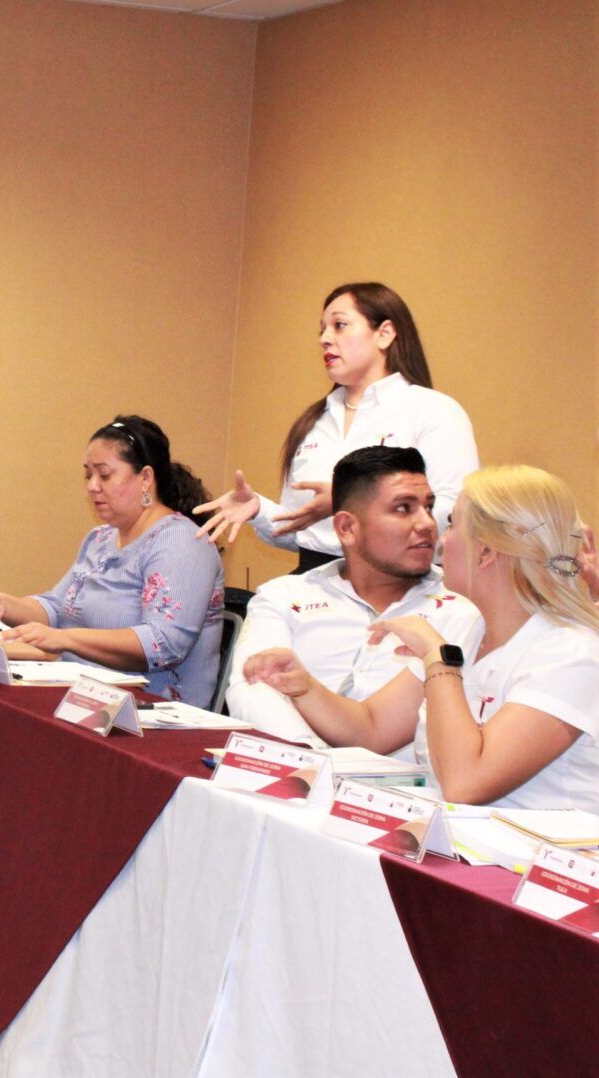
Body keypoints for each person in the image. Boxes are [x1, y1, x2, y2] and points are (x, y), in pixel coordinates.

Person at [243, 465, 599, 812]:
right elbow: (372, 728)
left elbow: (466, 783)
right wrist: (303, 687)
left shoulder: (571, 653)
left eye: (453, 524)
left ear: (486, 552)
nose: (440, 539)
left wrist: (436, 656)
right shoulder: (468, 628)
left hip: (531, 850)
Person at [196, 283, 478, 573]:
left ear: (384, 334)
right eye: (322, 330)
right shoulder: (313, 422)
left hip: (400, 583)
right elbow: (303, 533)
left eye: (339, 325)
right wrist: (257, 509)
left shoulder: (433, 410)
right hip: (315, 579)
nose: (325, 339)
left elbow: (458, 514)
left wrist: (354, 500)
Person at [227, 446, 482, 747]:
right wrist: (311, 761)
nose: (427, 523)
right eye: (403, 508)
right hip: (296, 764)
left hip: (412, 776)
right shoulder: (284, 596)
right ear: (347, 527)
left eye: (429, 507)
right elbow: (253, 687)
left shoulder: (462, 607)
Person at [0, 415, 224, 703]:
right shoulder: (101, 538)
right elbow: (56, 607)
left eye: (104, 475)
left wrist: (65, 639)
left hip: (149, 709)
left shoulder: (182, 541)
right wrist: (5, 605)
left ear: (145, 478)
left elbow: (163, 643)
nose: (92, 486)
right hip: (84, 696)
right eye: (88, 475)